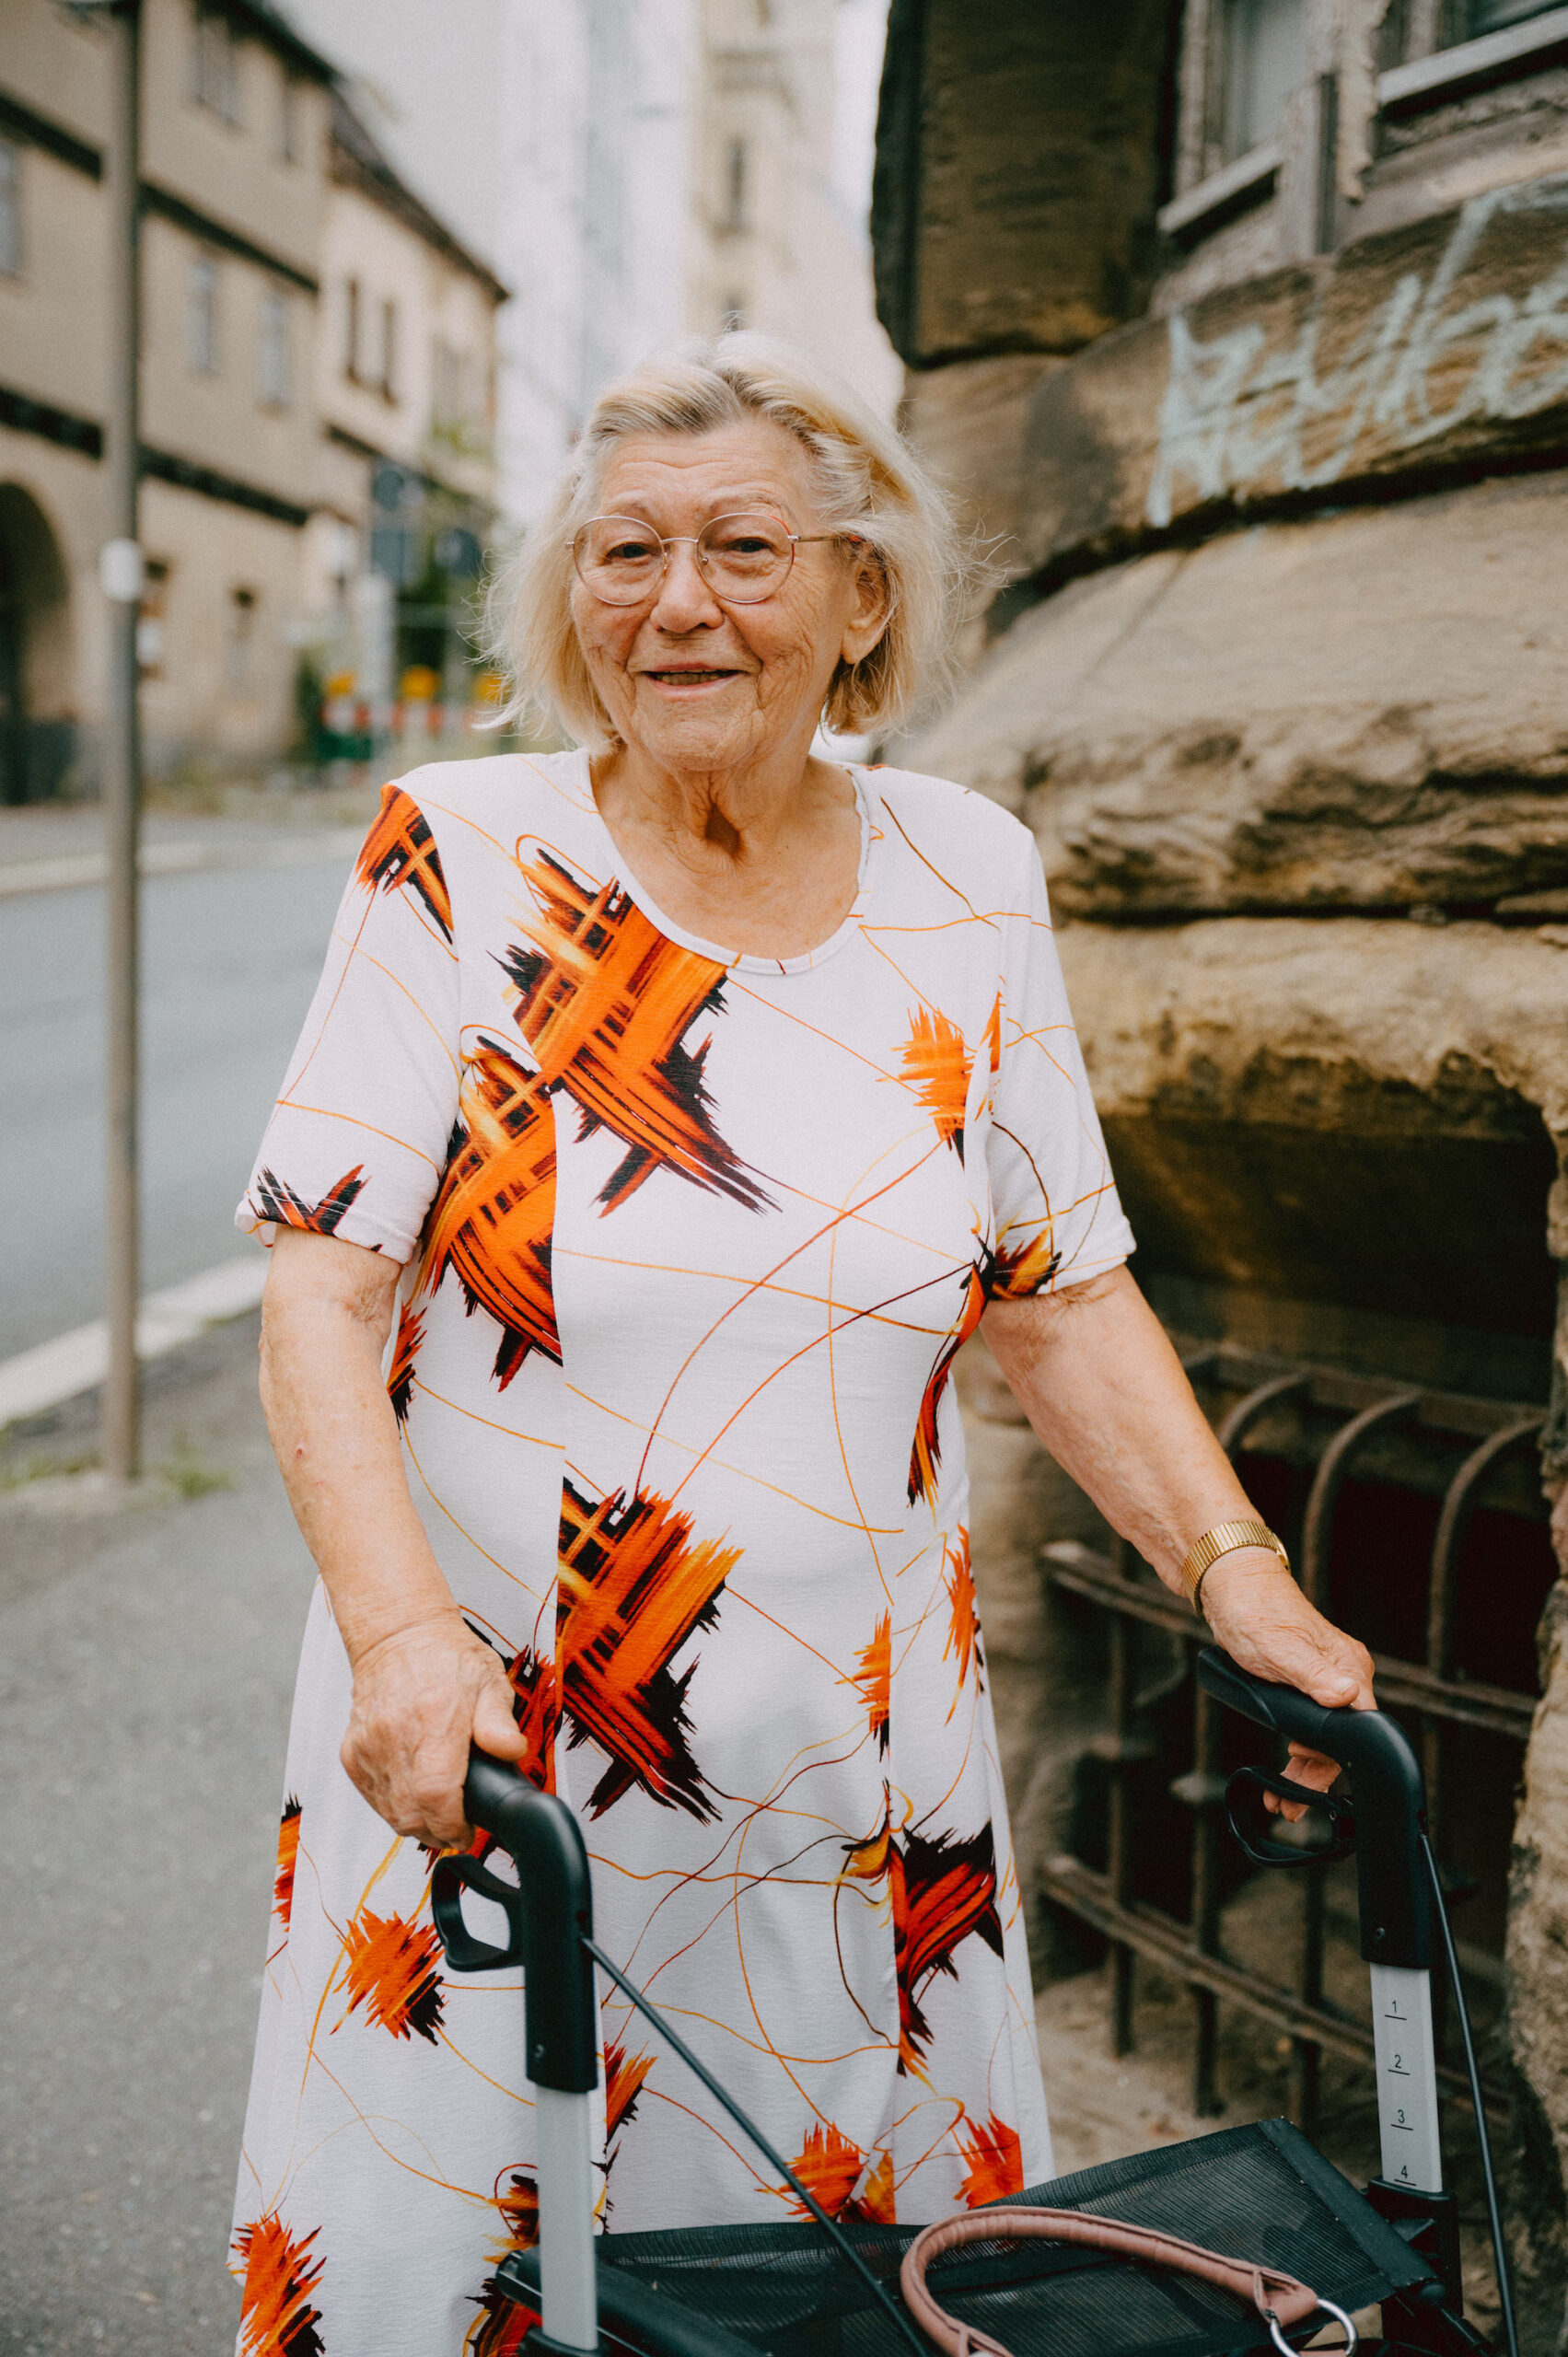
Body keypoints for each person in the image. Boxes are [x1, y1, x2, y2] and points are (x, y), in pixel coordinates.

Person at [231, 334, 1373, 2353]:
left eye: (745, 548)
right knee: (488, 2272)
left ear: (859, 597)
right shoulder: (461, 853)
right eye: (627, 552)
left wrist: (1240, 1568)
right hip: (504, 1763)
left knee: (855, 2284)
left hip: (865, 1769)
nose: (678, 603)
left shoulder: (965, 874)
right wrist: (403, 1640)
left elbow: (1059, 1281)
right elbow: (324, 1284)